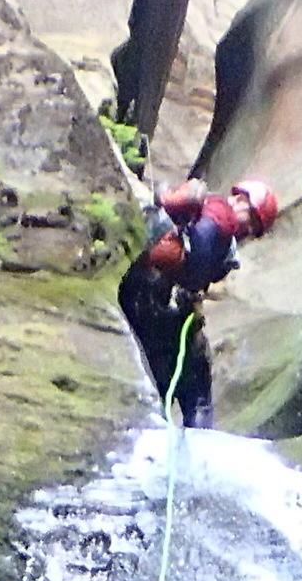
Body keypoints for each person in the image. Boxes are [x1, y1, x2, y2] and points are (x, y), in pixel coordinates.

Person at [117, 176, 279, 427]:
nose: (250, 231)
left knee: (181, 383)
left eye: (256, 230)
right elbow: (200, 248)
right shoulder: (222, 215)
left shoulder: (224, 239)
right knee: (189, 389)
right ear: (239, 199)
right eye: (253, 220)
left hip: (156, 302)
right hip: (156, 301)